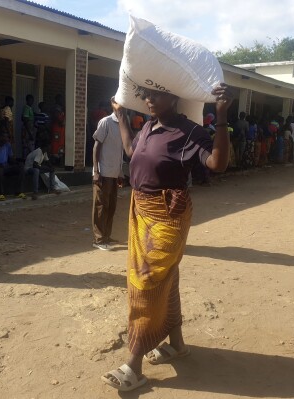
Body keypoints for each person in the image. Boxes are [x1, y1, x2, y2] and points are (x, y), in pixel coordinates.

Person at [100, 83, 232, 392]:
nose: (148, 99)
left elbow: (218, 164)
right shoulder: (149, 125)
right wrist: (121, 117)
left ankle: (133, 364)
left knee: (146, 281)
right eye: (145, 94)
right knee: (166, 278)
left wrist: (222, 116)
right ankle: (177, 345)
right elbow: (133, 152)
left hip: (168, 214)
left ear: (174, 96)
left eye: (155, 94)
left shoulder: (189, 132)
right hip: (140, 209)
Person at [91, 104, 124, 251]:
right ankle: (98, 239)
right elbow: (96, 147)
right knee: (100, 207)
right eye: (121, 107)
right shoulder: (105, 122)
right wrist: (96, 171)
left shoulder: (123, 124)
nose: (124, 109)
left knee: (111, 207)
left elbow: (119, 151)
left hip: (114, 173)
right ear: (114, 107)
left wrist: (120, 172)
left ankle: (106, 235)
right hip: (103, 172)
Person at [0, 133, 26, 201]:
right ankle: (0, 194)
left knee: (21, 168)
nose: (6, 139)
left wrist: (17, 162)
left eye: (6, 137)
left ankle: (19, 192)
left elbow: (10, 159)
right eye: (4, 137)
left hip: (6, 166)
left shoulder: (7, 145)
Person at [50, 94, 66, 164]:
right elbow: (57, 118)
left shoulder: (61, 108)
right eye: (60, 99)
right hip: (56, 128)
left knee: (61, 144)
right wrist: (61, 121)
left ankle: (59, 160)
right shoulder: (56, 108)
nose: (62, 101)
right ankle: (54, 161)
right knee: (55, 143)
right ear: (57, 100)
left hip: (61, 129)